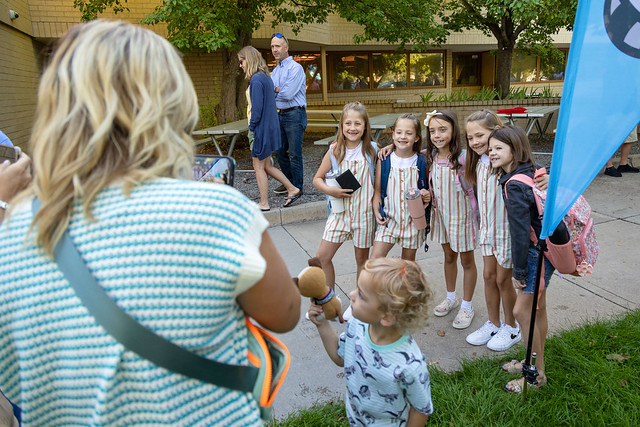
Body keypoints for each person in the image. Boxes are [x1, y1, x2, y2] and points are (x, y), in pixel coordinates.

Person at [0, 20, 300, 426]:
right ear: (170, 102)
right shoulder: (216, 212)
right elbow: (284, 314)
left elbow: (16, 385)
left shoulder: (14, 231)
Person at [308, 258, 434, 426]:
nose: (351, 295)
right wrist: (322, 324)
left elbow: (420, 409)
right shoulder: (357, 325)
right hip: (356, 418)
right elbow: (341, 357)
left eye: (361, 294)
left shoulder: (409, 365)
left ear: (387, 317)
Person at [489, 125, 553, 393]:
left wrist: (520, 272)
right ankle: (534, 361)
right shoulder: (530, 173)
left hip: (533, 253)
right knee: (537, 309)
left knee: (521, 311)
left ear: (515, 150)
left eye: (498, 148)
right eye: (490, 148)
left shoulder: (513, 184)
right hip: (547, 249)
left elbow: (518, 230)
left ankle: (535, 376)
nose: (492, 152)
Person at [462, 110, 521, 351]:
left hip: (505, 231)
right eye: (470, 137)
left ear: (496, 131)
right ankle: (493, 323)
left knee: (502, 279)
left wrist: (545, 176)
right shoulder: (478, 162)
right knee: (488, 276)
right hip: (487, 229)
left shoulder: (506, 161)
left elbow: (532, 170)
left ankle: (512, 326)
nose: (475, 141)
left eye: (480, 135)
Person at [312, 102, 377, 301]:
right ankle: (328, 299)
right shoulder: (335, 150)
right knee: (322, 258)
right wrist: (330, 190)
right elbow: (317, 178)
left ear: (365, 126)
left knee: (361, 260)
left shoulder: (372, 150)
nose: (352, 128)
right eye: (348, 123)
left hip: (364, 215)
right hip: (339, 214)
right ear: (341, 125)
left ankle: (358, 303)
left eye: (358, 123)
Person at [424, 110, 478, 330]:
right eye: (432, 130)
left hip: (462, 216)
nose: (437, 135)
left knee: (466, 261)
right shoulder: (431, 156)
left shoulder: (464, 157)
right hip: (442, 216)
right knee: (448, 257)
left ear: (454, 130)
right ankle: (451, 297)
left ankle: (467, 305)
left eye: (443, 129)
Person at [238, 46, 301, 210]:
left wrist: (252, 128)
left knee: (258, 167)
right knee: (266, 166)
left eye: (241, 61)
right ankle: (292, 188)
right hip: (268, 128)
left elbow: (257, 110)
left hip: (260, 129)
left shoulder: (256, 80)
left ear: (249, 60)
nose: (240, 65)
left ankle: (264, 203)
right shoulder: (265, 77)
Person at [371, 113, 431, 261]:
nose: (403, 137)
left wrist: (427, 195)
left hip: (414, 223)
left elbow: (428, 190)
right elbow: (377, 192)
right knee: (374, 261)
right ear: (393, 135)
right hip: (388, 222)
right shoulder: (384, 160)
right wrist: (376, 211)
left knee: (407, 266)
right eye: (399, 132)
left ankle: (409, 285)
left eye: (409, 133)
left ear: (416, 137)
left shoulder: (422, 162)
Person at [270, 33, 307, 200]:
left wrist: (277, 89)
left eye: (277, 46)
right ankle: (289, 184)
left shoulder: (295, 68)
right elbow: (272, 93)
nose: (274, 50)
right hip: (280, 114)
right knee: (279, 151)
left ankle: (298, 187)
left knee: (294, 153)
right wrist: (278, 90)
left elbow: (288, 94)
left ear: (286, 48)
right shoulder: (275, 70)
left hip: (295, 114)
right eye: (272, 47)